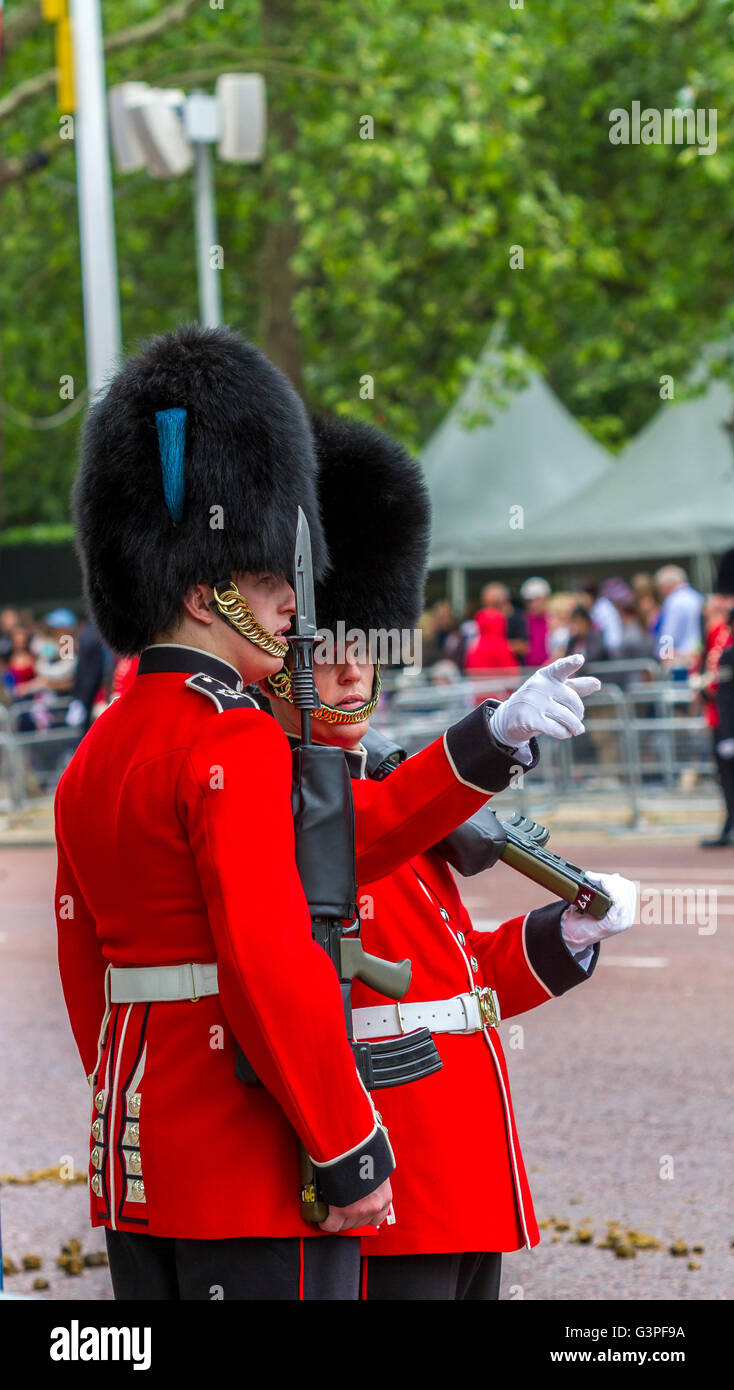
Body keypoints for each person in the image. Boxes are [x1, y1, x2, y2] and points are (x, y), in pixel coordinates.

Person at [54, 324, 398, 1302]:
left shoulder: (94, 753)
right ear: (207, 595)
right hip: (252, 1160)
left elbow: (88, 969)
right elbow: (267, 956)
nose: (293, 602)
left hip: (140, 1162)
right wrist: (347, 1143)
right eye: (265, 579)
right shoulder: (233, 740)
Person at [266, 415, 635, 1300]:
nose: (351, 675)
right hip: (388, 1173)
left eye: (365, 653)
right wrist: (491, 737)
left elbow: (457, 983)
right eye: (325, 654)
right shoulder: (276, 804)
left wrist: (563, 937)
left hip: (469, 1163)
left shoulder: (395, 794)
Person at [700, 551, 734, 847]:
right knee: (725, 778)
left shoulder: (725, 633)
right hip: (719, 716)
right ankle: (729, 824)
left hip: (728, 717)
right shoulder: (717, 632)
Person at [653, 565, 703, 671]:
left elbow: (669, 633)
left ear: (667, 585)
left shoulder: (673, 601)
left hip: (680, 659)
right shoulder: (697, 597)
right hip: (697, 654)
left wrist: (664, 655)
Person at [519, 576, 551, 666]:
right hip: (529, 672)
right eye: (529, 601)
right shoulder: (523, 620)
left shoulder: (554, 619)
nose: (533, 604)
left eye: (536, 600)